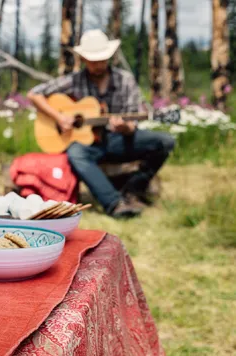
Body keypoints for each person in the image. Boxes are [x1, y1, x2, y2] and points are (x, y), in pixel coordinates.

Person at [27, 29, 175, 219]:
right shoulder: (74, 80)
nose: (97, 64)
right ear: (84, 59)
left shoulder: (125, 80)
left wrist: (126, 127)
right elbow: (34, 94)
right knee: (76, 153)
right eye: (92, 60)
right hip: (88, 145)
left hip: (118, 140)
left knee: (165, 142)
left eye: (102, 59)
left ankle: (133, 190)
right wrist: (59, 117)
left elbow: (131, 125)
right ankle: (114, 203)